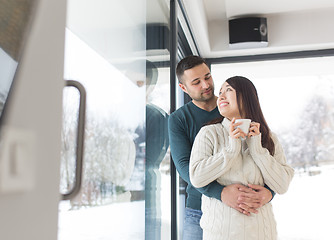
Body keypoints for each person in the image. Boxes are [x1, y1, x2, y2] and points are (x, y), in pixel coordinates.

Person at [168, 55, 275, 240]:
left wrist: (270, 192)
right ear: (183, 88)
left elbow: (263, 153)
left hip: (245, 207)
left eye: (207, 77)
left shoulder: (234, 106)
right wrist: (221, 193)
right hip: (197, 209)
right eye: (196, 82)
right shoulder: (178, 119)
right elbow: (185, 167)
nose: (205, 85)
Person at [189, 76, 294, 240]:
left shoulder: (269, 138)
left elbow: (282, 185)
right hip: (220, 234)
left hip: (263, 234)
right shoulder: (209, 133)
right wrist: (231, 149)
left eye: (228, 90)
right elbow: (196, 177)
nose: (221, 96)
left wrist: (257, 149)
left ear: (247, 96)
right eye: (220, 92)